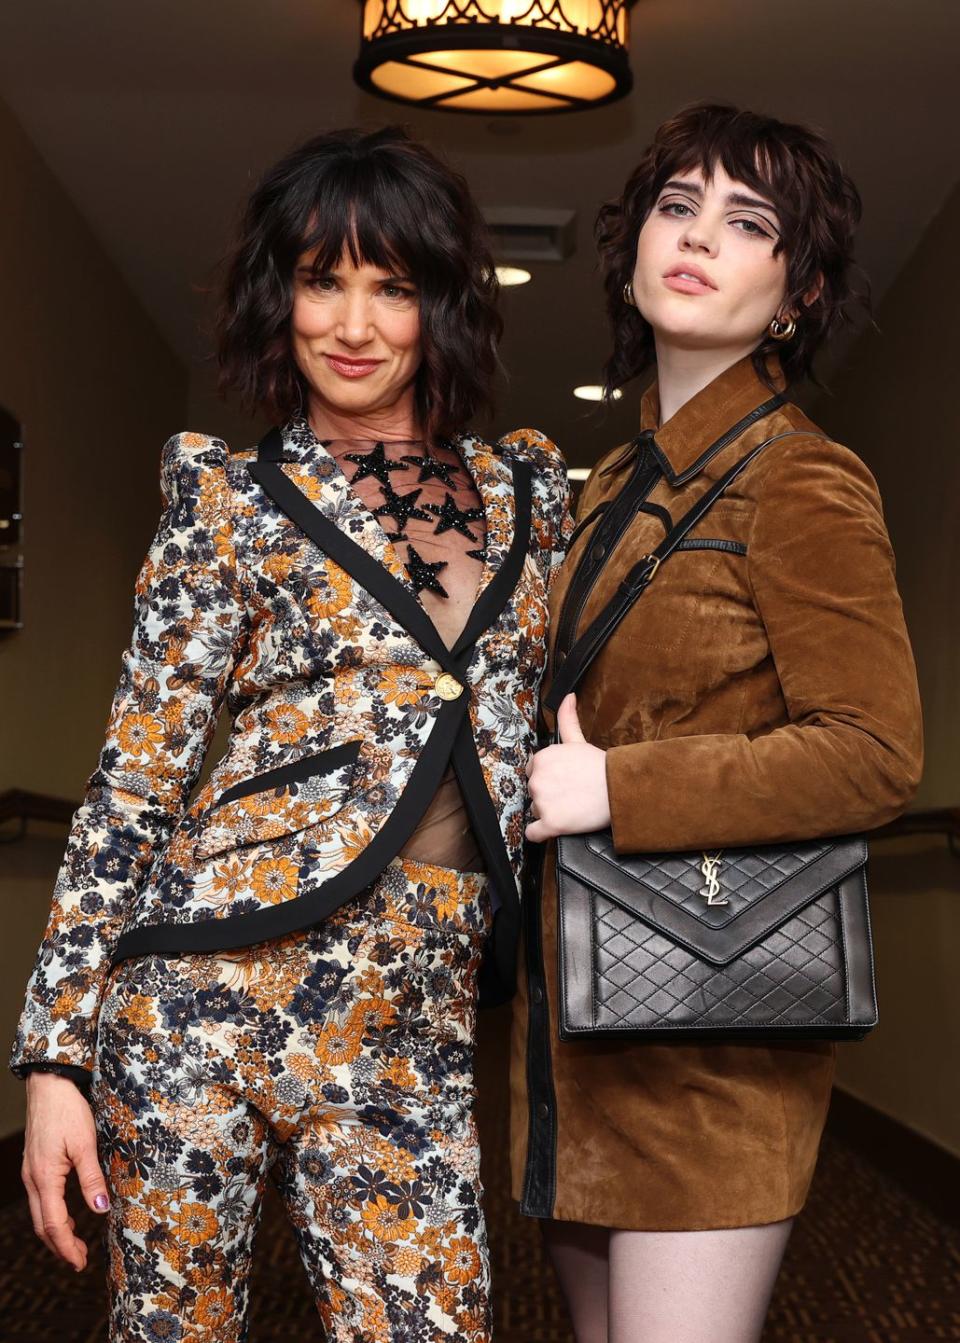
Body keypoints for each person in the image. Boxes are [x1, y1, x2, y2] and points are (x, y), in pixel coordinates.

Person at [11, 125, 571, 1343]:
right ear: (283, 295)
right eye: (324, 280)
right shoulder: (228, 498)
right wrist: (56, 1056)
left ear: (444, 305)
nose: (355, 323)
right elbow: (136, 772)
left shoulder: (533, 489)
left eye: (393, 285)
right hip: (205, 990)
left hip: (417, 1010)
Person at [514, 103, 923, 1343]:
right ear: (632, 249)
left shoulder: (800, 475)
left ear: (794, 290)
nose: (697, 238)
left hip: (712, 1041)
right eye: (676, 207)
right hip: (577, 1027)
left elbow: (875, 750)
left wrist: (619, 787)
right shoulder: (610, 487)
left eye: (748, 224)